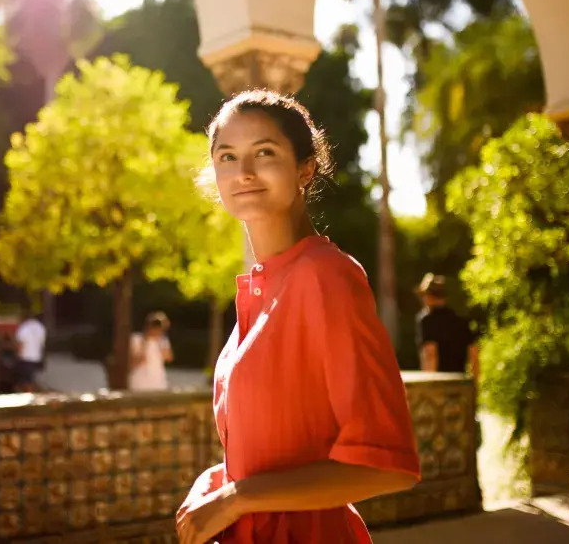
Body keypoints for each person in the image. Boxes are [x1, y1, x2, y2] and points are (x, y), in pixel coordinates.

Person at [175, 90, 420, 544]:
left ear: (305, 167)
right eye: (227, 156)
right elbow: (279, 453)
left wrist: (237, 498)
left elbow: (387, 465)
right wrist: (218, 483)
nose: (243, 172)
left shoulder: (326, 277)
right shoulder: (262, 287)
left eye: (264, 152)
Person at [414, 273, 479, 383]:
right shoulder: (460, 319)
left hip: (439, 382)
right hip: (460, 381)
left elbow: (430, 354)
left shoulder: (426, 319)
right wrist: (474, 383)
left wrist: (429, 383)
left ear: (429, 296)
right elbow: (474, 353)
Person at [129, 311, 174, 391]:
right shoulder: (136, 339)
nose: (156, 330)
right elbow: (133, 361)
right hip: (140, 381)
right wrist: (145, 343)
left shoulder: (163, 341)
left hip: (158, 381)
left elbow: (169, 358)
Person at [14, 312, 46, 392]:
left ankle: (27, 396)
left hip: (26, 357)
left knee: (25, 380)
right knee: (32, 378)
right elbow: (42, 344)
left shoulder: (24, 327)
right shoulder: (40, 327)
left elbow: (21, 344)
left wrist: (17, 356)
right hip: (36, 357)